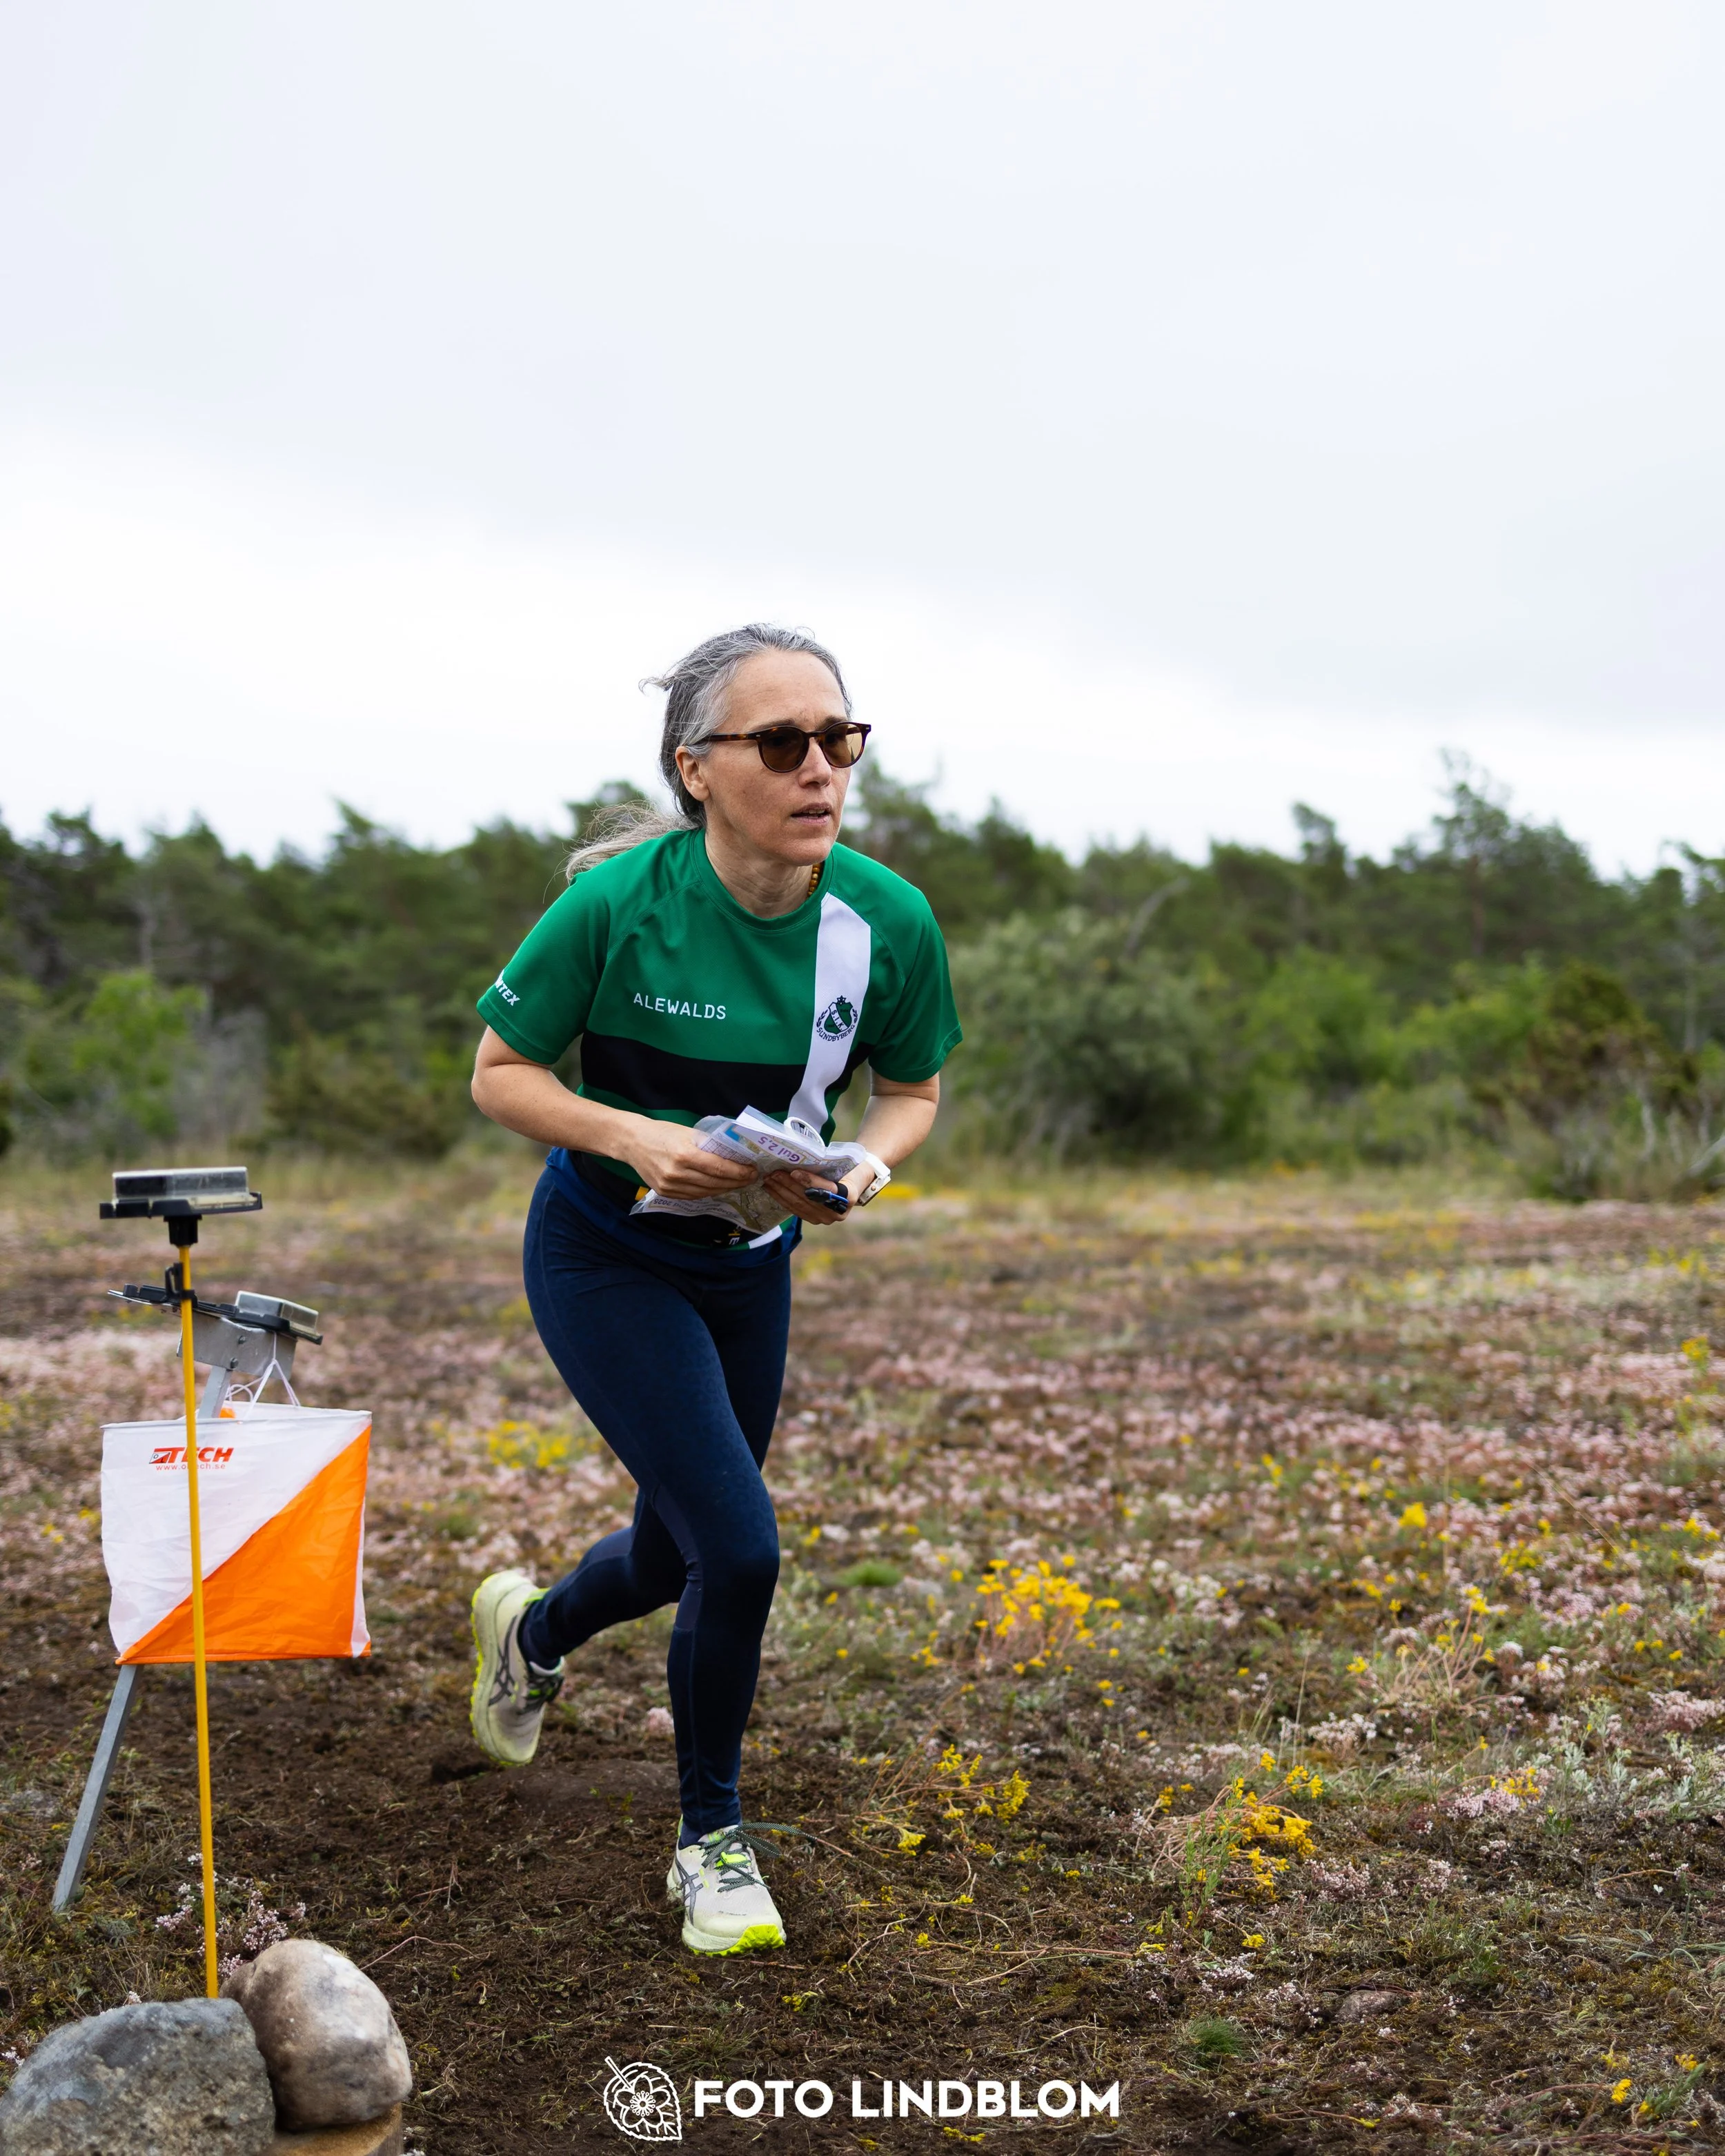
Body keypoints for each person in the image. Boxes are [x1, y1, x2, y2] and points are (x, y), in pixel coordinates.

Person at [465, 624, 960, 1956]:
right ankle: (711, 1843)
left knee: (682, 1546)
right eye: (783, 743)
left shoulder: (887, 922)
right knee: (740, 1546)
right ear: (696, 769)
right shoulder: (618, 905)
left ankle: (535, 1632)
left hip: (751, 1263)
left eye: (840, 739)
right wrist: (630, 1135)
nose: (822, 769)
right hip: (604, 1253)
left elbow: (910, 1096)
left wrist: (862, 1166)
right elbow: (499, 1073)